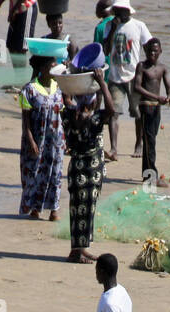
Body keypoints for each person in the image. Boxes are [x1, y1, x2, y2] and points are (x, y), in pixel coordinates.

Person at [61, 60, 114, 262]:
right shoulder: (94, 120)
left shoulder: (68, 115)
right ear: (93, 102)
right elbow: (110, 109)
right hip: (91, 169)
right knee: (86, 210)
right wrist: (102, 82)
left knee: (77, 209)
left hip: (76, 168)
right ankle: (77, 251)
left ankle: (79, 249)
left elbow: (66, 97)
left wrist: (67, 78)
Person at [102, 2, 151, 161]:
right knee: (113, 112)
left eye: (119, 11)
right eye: (115, 11)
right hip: (115, 77)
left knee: (137, 113)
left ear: (127, 11)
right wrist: (113, 31)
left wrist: (147, 70)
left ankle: (139, 143)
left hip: (133, 76)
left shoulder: (139, 26)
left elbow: (150, 47)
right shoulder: (110, 25)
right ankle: (114, 148)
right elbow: (106, 51)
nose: (117, 14)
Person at [18, 55, 65, 221]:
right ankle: (35, 208)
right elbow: (26, 122)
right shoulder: (29, 89)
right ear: (42, 69)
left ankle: (54, 210)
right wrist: (30, 140)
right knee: (35, 172)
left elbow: (67, 111)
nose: (54, 70)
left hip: (56, 140)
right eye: (51, 67)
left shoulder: (59, 86)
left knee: (55, 172)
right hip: (37, 139)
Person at [132, 38, 170, 186]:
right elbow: (137, 87)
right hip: (146, 106)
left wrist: (169, 97)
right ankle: (151, 177)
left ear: (160, 51)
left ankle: (146, 175)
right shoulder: (141, 66)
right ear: (145, 51)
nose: (152, 53)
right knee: (150, 142)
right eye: (150, 51)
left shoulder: (163, 68)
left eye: (155, 51)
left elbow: (169, 87)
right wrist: (157, 97)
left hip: (157, 108)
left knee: (150, 140)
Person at [0, 0, 38, 68]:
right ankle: (18, 74)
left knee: (21, 47)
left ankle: (21, 76)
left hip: (26, 7)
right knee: (11, 45)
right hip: (15, 8)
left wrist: (13, 10)